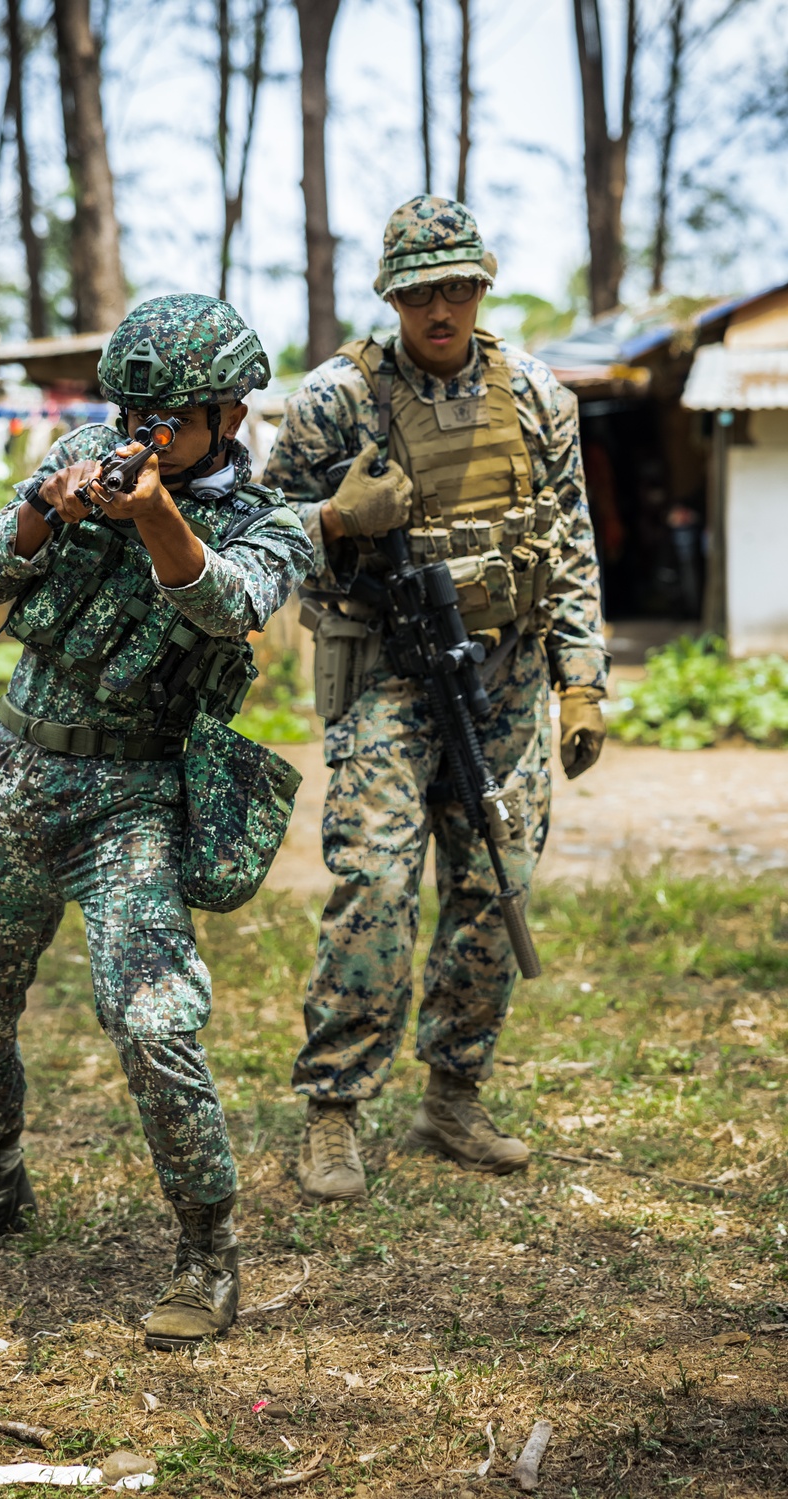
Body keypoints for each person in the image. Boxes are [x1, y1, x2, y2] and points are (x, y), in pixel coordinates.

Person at [0, 294, 313, 1350]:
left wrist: (149, 513)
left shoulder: (267, 518)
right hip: (20, 767)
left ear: (226, 413)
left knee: (152, 1019)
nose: (141, 433)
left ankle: (207, 1251)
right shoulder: (87, 453)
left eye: (166, 418)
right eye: (131, 411)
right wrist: (50, 502)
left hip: (132, 793)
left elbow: (227, 603)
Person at [263, 197, 607, 1203]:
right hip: (383, 670)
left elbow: (569, 538)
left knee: (495, 886)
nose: (441, 308)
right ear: (393, 297)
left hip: (501, 672)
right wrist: (335, 517)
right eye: (421, 292)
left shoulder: (538, 394)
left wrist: (579, 680)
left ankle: (452, 1092)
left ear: (480, 288)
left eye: (457, 287)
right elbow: (261, 527)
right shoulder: (334, 399)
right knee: (372, 881)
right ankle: (334, 1108)